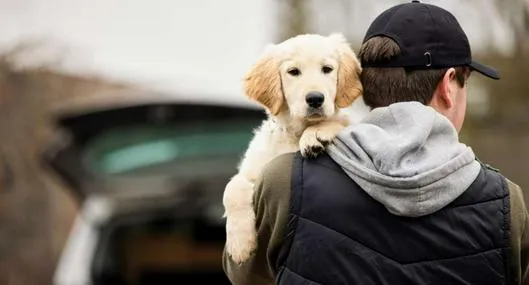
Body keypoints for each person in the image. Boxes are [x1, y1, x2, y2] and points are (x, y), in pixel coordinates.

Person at [222, 1, 529, 284]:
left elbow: (246, 275)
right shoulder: (506, 203)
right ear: (449, 85)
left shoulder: (282, 180)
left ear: (362, 87)